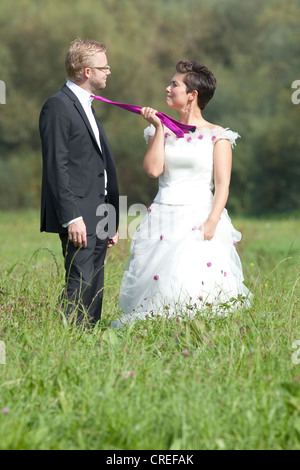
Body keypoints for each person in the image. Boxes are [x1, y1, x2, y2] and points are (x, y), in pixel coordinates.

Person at [115, 60, 251, 327]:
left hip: (199, 217)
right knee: (160, 283)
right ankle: (161, 335)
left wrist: (212, 221)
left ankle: (197, 336)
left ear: (192, 95)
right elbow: (153, 170)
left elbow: (222, 185)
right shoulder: (160, 130)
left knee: (192, 281)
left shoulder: (218, 136)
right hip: (163, 216)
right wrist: (157, 128)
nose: (167, 88)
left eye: (174, 84)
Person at [39, 39, 119, 327]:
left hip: (100, 214)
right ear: (87, 71)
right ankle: (67, 345)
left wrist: (111, 218)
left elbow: (99, 167)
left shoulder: (86, 105)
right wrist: (72, 216)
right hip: (79, 215)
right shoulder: (58, 106)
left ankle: (89, 343)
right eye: (104, 67)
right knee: (79, 283)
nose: (108, 71)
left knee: (95, 287)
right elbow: (55, 166)